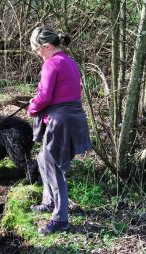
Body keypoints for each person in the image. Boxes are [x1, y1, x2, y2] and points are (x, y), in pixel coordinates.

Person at [27, 26, 91, 235]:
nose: (37, 54)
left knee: (54, 168)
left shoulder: (51, 64)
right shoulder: (69, 61)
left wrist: (32, 107)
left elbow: (45, 97)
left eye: (37, 50)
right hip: (72, 119)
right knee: (43, 159)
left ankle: (60, 218)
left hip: (60, 122)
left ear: (46, 47)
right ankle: (49, 201)